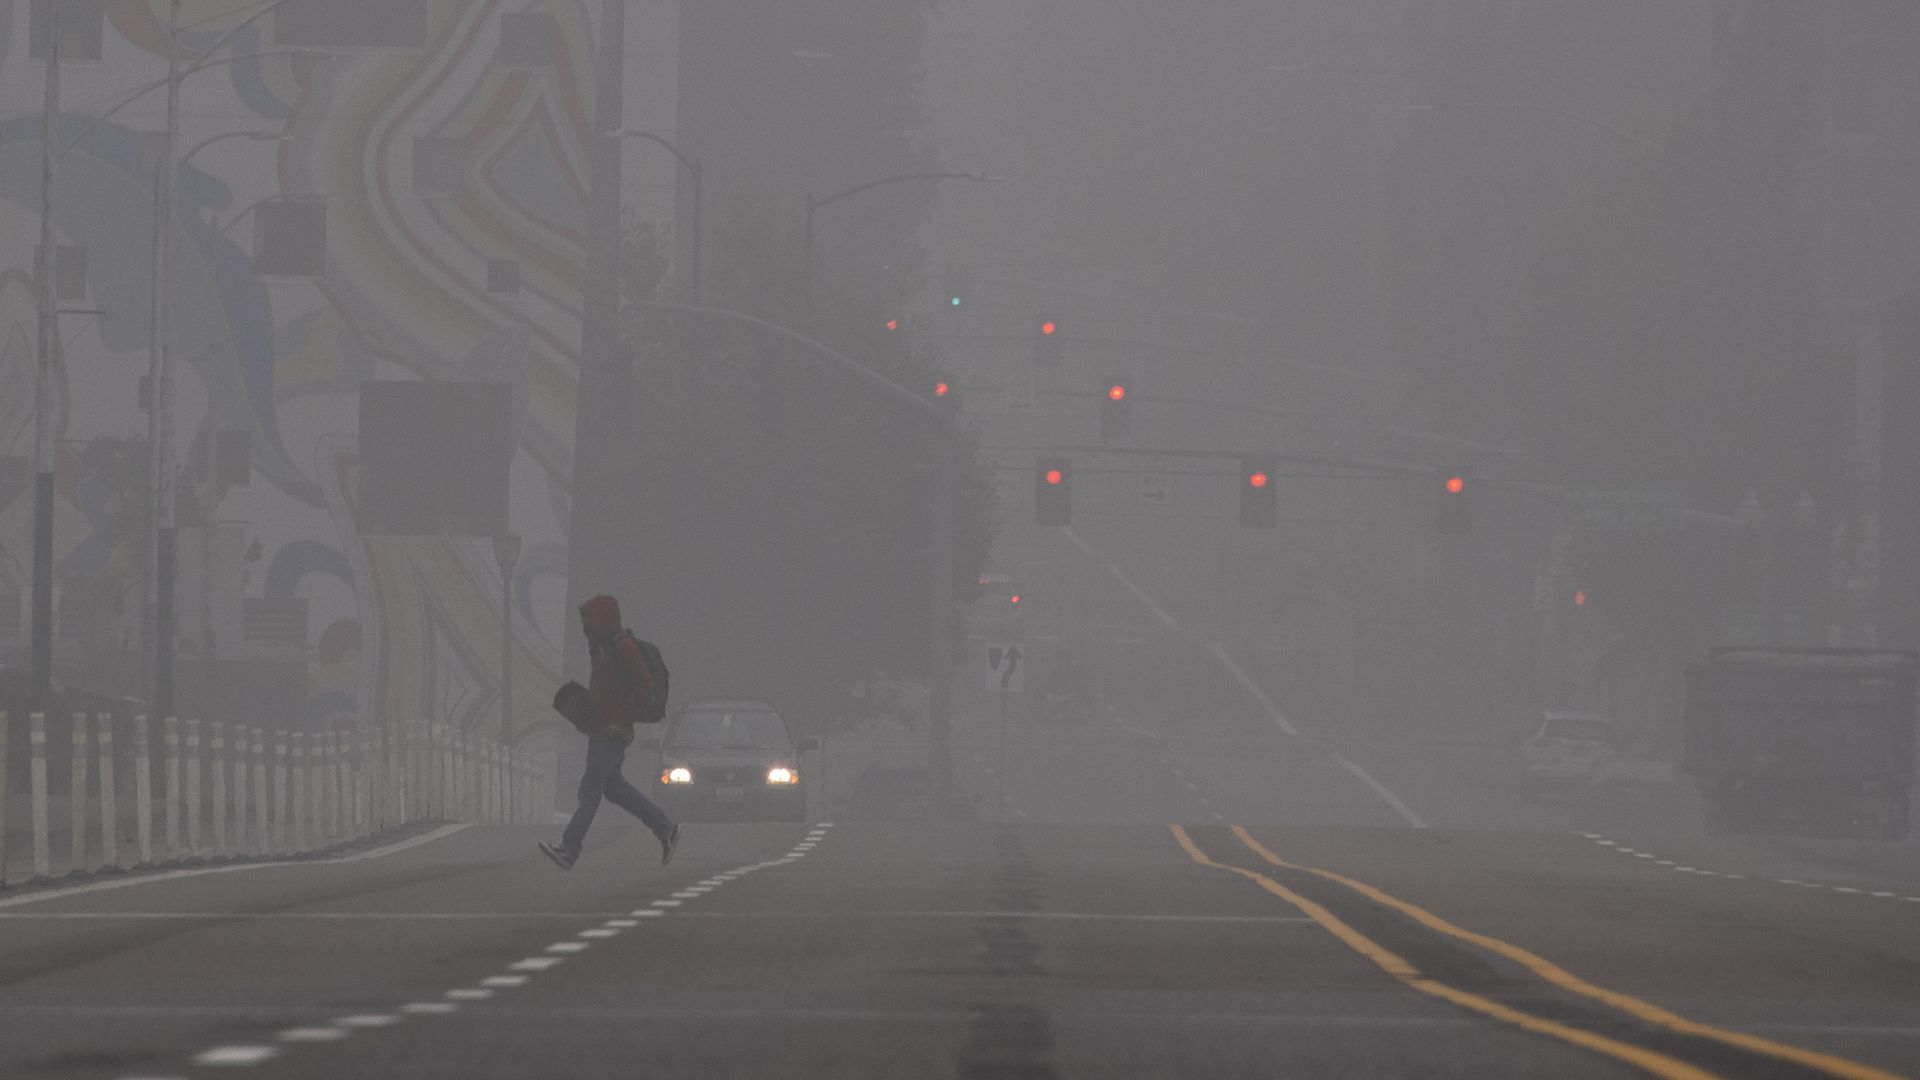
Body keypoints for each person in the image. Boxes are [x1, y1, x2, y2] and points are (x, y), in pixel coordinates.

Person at [539, 595, 680, 869]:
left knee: (589, 791)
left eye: (587, 620)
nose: (584, 626)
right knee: (614, 788)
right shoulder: (600, 649)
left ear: (601, 619)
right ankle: (665, 829)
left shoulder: (621, 646)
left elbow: (643, 686)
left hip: (612, 732)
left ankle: (569, 849)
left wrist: (620, 719)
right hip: (601, 729)